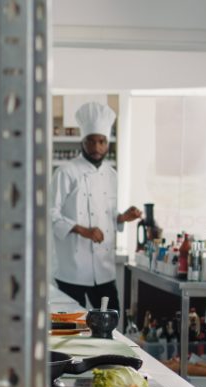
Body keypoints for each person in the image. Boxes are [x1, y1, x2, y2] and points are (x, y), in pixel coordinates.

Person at [51, 102, 141, 311]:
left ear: (107, 142)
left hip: (103, 269)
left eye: (102, 142)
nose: (97, 148)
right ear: (83, 141)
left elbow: (106, 215)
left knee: (111, 319)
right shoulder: (66, 172)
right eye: (91, 141)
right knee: (71, 327)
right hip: (72, 269)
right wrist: (83, 230)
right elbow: (50, 212)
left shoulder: (111, 175)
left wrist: (122, 218)